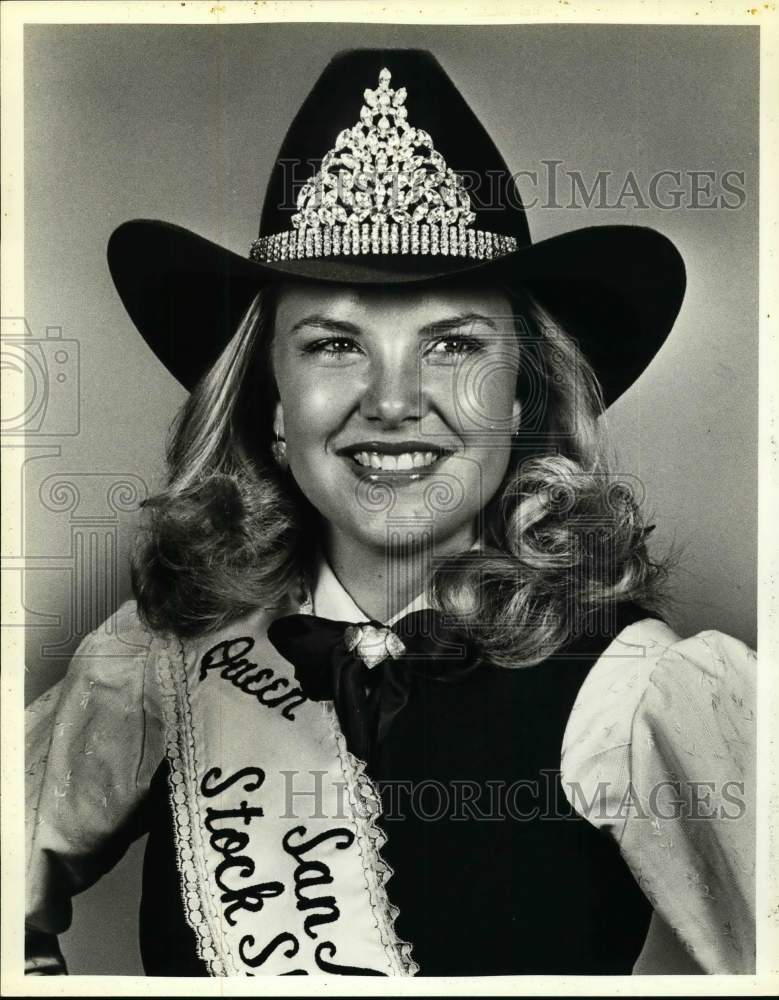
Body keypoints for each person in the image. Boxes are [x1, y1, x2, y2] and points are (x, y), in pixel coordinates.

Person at [25, 48, 756, 977]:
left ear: (525, 398)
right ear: (272, 403)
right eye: (334, 344)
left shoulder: (642, 689)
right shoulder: (157, 661)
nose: (394, 400)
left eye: (452, 345)